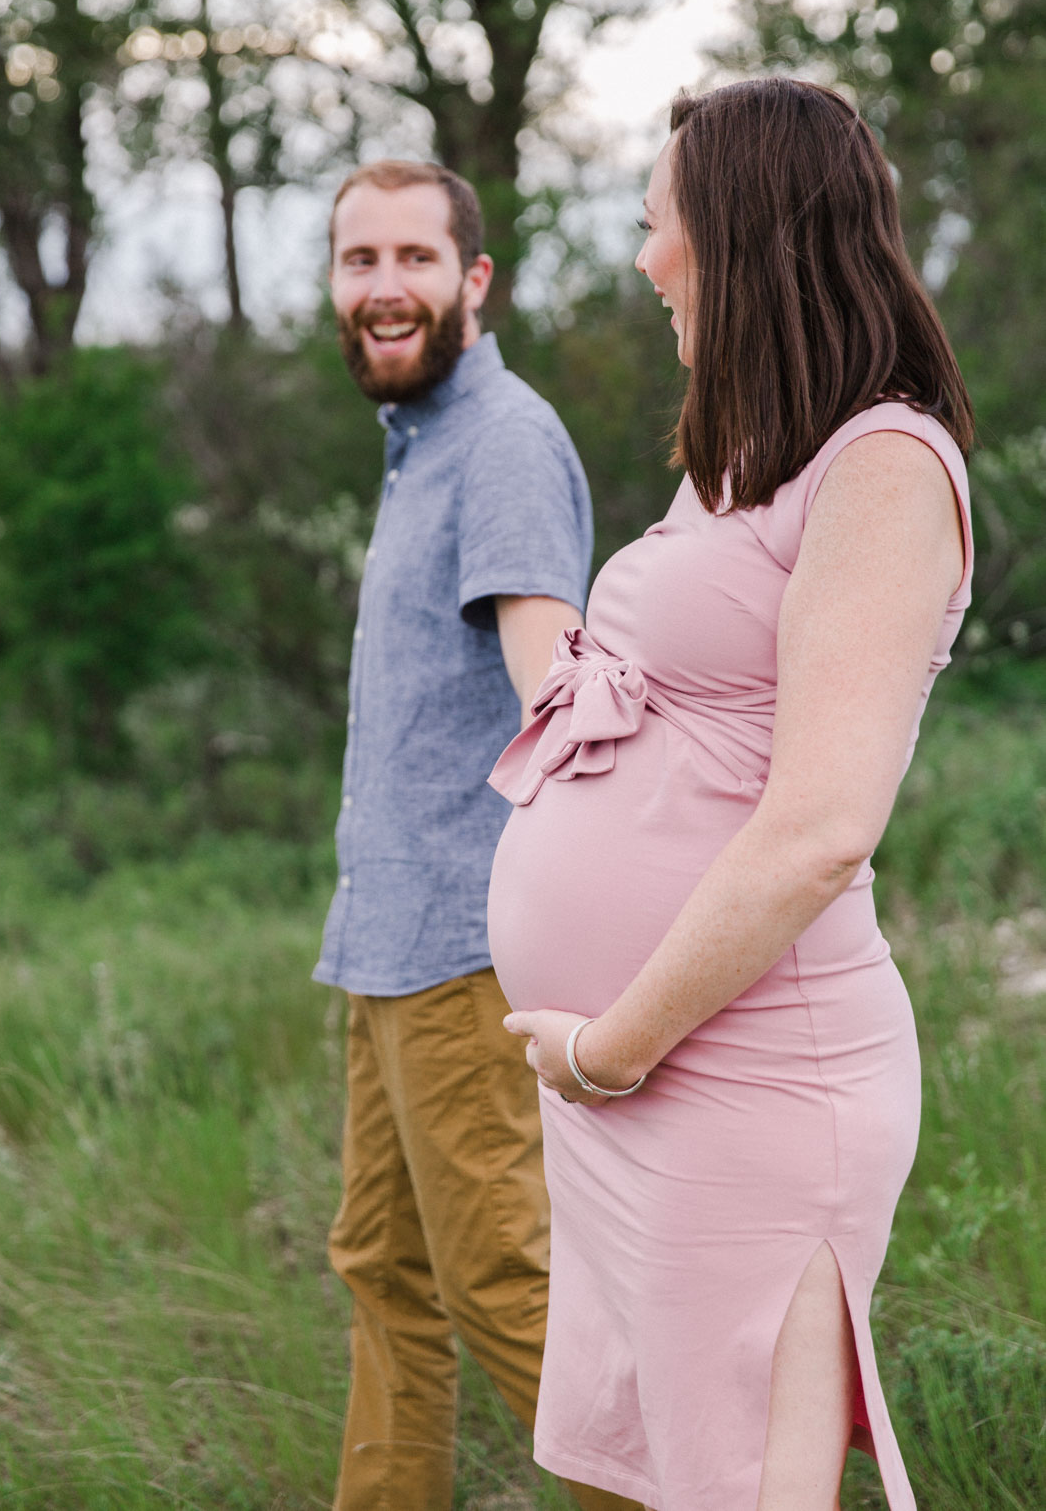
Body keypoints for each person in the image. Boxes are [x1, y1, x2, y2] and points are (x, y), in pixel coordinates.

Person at [488, 79, 975, 1511]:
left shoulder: (880, 465)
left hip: (742, 1082)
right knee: (648, 1481)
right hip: (638, 1084)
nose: (644, 263)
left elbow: (821, 831)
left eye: (662, 227)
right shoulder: (741, 463)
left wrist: (609, 1048)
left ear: (746, 236)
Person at [315, 159, 638, 1511]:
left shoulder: (499, 440)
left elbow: (557, 704)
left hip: (460, 954)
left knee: (503, 1282)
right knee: (385, 1277)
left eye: (412, 259)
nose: (383, 287)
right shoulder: (422, 444)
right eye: (356, 261)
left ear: (474, 282)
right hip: (381, 947)